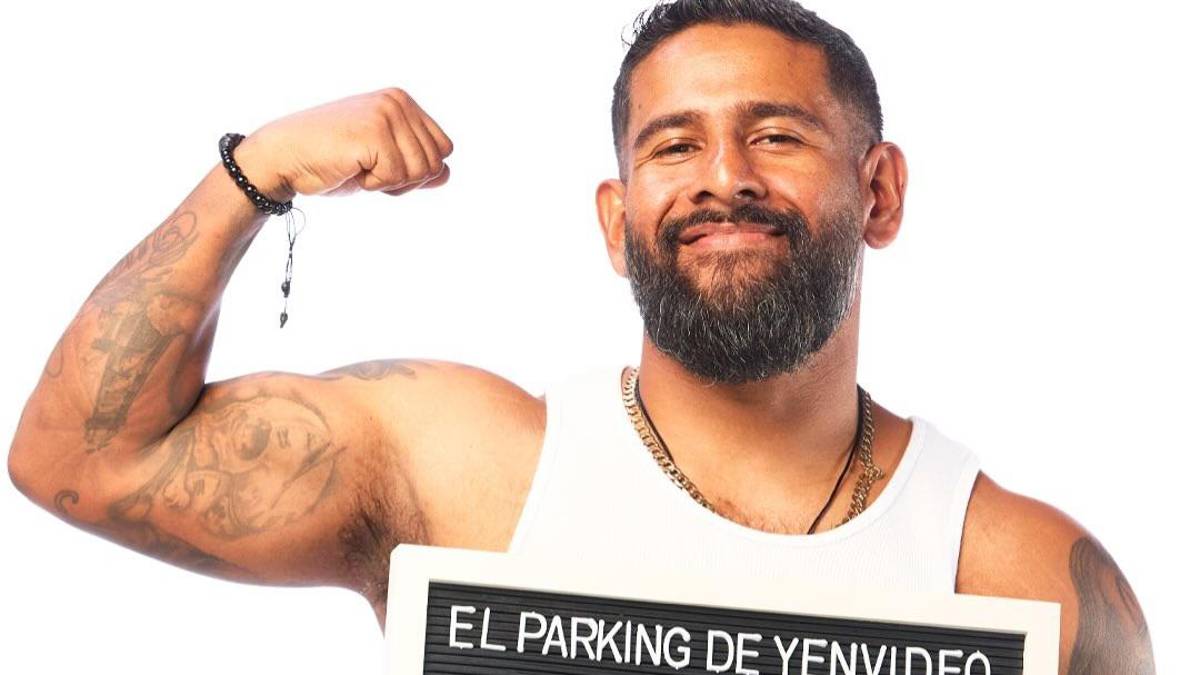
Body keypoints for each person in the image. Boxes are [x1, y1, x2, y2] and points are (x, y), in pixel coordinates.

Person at [5, 0, 1155, 673]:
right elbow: (82, 461)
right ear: (617, 221)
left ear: (881, 192)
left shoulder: (1023, 579)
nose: (724, 177)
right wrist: (251, 175)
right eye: (674, 145)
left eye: (777, 135)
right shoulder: (464, 474)